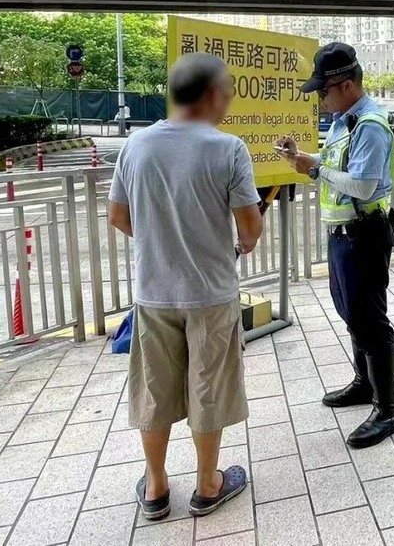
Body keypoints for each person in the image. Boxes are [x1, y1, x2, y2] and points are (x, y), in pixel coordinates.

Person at [108, 53, 263, 521]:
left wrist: (161, 241)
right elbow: (250, 228)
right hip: (212, 292)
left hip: (153, 292)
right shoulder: (228, 148)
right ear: (213, 94)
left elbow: (118, 216)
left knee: (154, 389)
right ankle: (207, 485)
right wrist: (243, 240)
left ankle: (155, 488)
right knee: (209, 386)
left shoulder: (136, 146)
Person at [276, 42, 394, 449]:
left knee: (370, 319)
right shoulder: (344, 122)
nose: (319, 99)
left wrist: (313, 168)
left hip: (364, 233)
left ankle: (388, 409)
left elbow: (362, 185)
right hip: (344, 234)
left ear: (346, 85)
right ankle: (364, 385)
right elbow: (337, 169)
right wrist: (305, 157)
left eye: (323, 92)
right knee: (351, 311)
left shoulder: (369, 125)